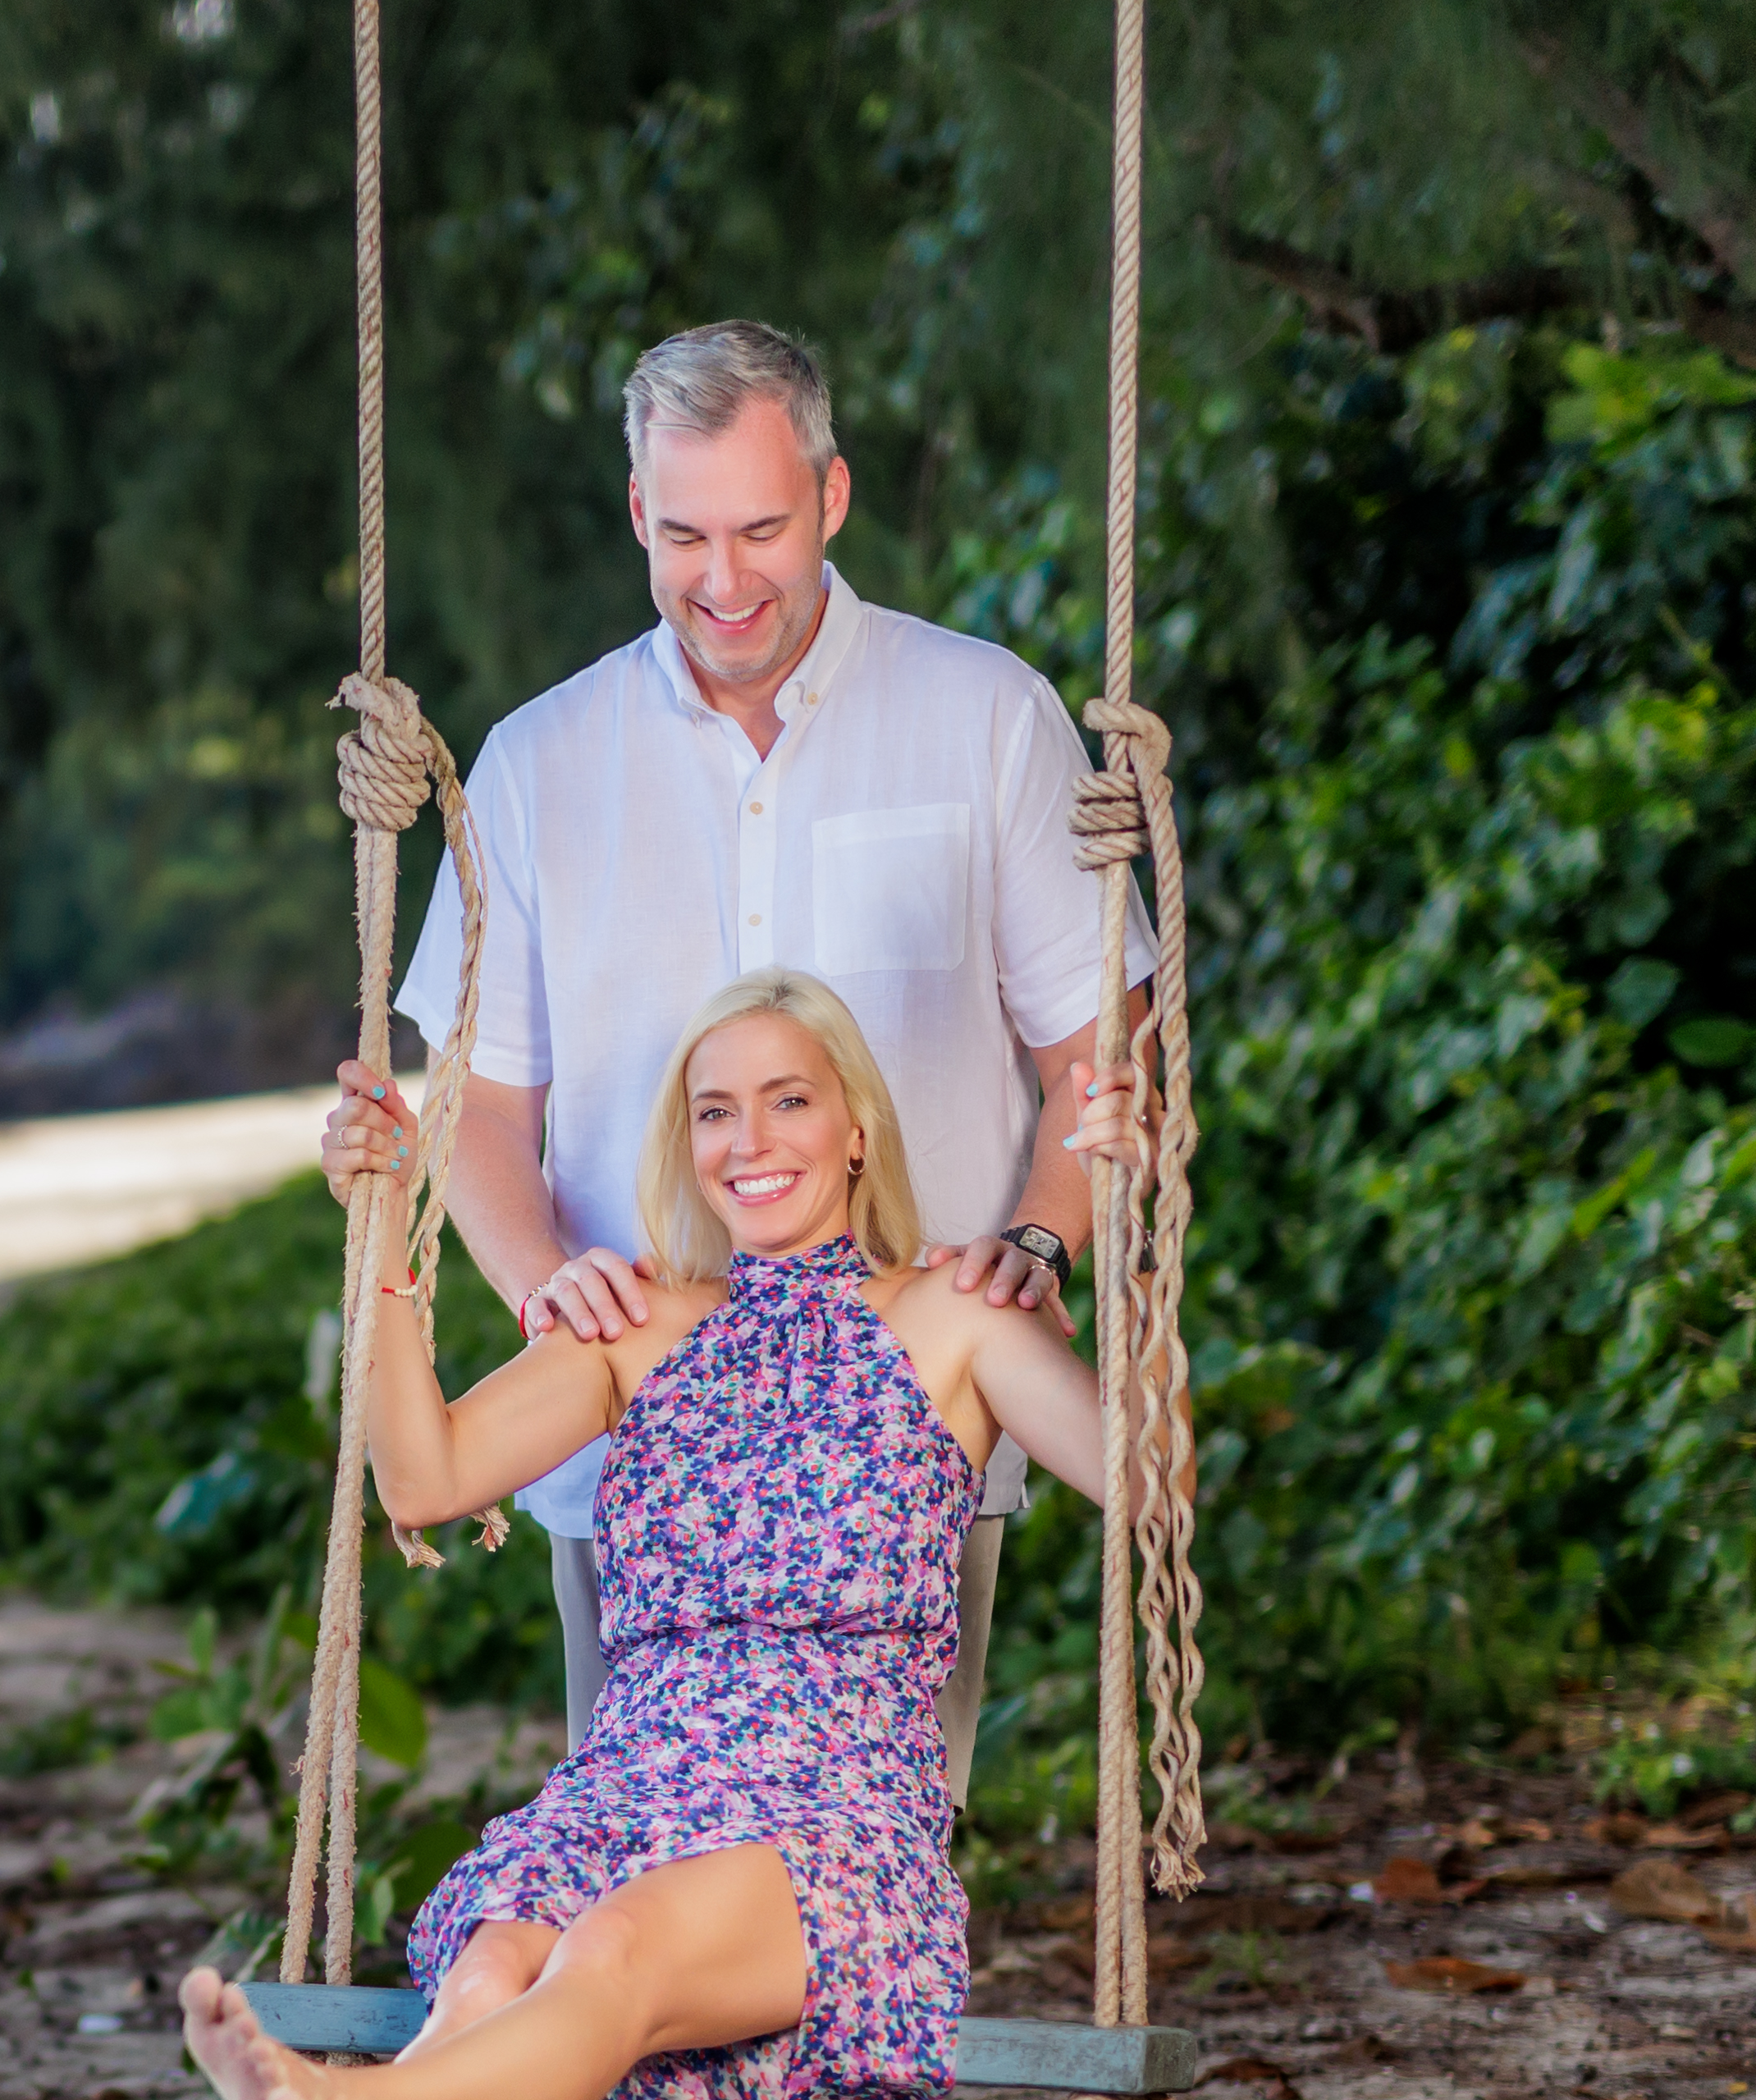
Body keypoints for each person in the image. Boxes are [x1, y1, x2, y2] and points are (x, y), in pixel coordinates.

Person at [189, 972, 1141, 2100]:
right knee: (494, 1959)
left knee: (606, 1957)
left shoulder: (954, 1313)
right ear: (682, 1142)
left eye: (785, 1100)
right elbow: (424, 1480)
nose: (746, 1138)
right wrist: (380, 1231)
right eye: (714, 1108)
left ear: (850, 1132)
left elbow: (1144, 1481)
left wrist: (1137, 1222)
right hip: (633, 1780)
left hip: (828, 1800)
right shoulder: (634, 1320)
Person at [326, 316, 1146, 1772]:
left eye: (762, 528)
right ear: (637, 513)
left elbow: (1097, 1058)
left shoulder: (987, 718)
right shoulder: (534, 766)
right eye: (685, 533)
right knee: (635, 1814)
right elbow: (480, 1113)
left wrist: (1047, 1236)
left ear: (831, 496)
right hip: (626, 1423)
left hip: (910, 1420)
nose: (723, 579)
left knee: (877, 1828)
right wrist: (541, 1286)